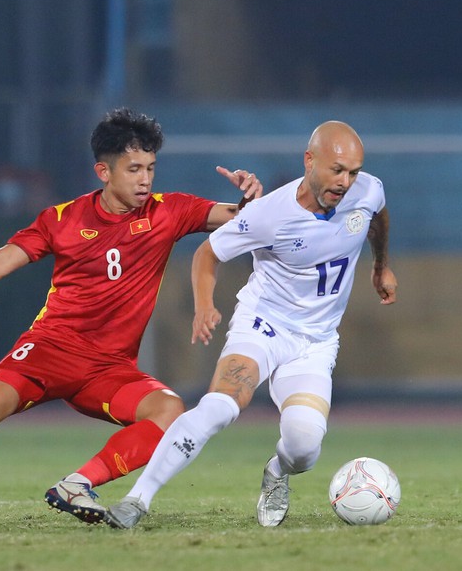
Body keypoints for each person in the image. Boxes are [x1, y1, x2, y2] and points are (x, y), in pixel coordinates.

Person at [0, 107, 263, 530]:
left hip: (109, 368)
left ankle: (78, 483)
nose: (145, 179)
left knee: (169, 412)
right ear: (103, 172)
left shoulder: (170, 211)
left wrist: (250, 200)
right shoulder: (63, 219)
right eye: (134, 169)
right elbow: (7, 257)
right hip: (51, 349)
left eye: (151, 168)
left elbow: (240, 219)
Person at [102, 120, 398, 529]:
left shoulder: (368, 189)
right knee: (218, 408)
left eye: (353, 172)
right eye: (336, 170)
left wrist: (380, 267)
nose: (346, 182)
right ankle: (137, 500)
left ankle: (276, 472)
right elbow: (207, 253)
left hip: (315, 342)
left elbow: (377, 218)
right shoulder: (268, 214)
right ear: (309, 161)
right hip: (263, 324)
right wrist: (204, 305)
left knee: (304, 448)